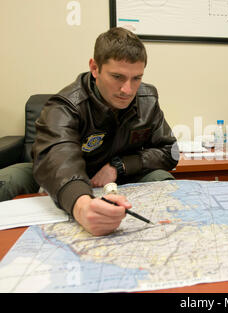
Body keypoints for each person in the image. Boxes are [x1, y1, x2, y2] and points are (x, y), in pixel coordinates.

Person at [1, 27, 179, 236]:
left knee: (161, 178)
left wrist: (119, 166)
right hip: (64, 178)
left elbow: (170, 151)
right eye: (117, 77)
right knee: (8, 179)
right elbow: (58, 159)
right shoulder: (64, 106)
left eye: (136, 78)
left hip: (120, 179)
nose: (128, 90)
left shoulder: (147, 99)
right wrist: (81, 205)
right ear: (95, 68)